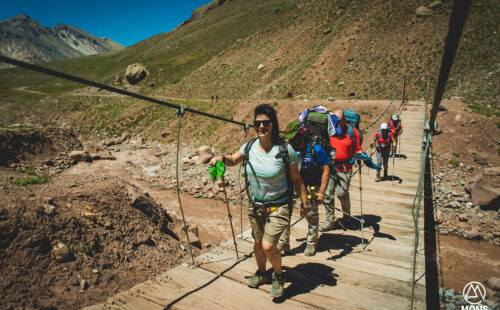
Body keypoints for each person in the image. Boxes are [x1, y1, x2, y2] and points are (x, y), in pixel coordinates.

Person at [209, 104, 308, 298]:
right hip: (256, 205)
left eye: (265, 123)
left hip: (279, 205)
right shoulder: (250, 146)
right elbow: (232, 160)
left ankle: (278, 276)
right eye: (257, 123)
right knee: (257, 243)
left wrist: (305, 204)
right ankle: (263, 273)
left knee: (268, 246)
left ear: (273, 124)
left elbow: (297, 180)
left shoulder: (285, 149)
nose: (261, 127)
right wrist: (220, 158)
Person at [279, 121, 331, 256]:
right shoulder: (289, 149)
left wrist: (322, 192)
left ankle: (311, 243)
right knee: (284, 212)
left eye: (295, 138)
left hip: (311, 185)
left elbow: (326, 170)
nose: (292, 141)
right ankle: (284, 243)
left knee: (311, 214)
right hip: (293, 183)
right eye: (290, 138)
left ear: (302, 134)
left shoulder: (315, 149)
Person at [320, 109, 363, 231]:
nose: (336, 124)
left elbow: (358, 148)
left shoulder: (352, 132)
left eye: (338, 121)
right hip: (330, 167)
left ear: (344, 120)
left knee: (342, 193)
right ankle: (329, 221)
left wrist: (360, 156)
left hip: (345, 168)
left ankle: (347, 217)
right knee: (327, 194)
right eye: (334, 121)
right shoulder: (329, 131)